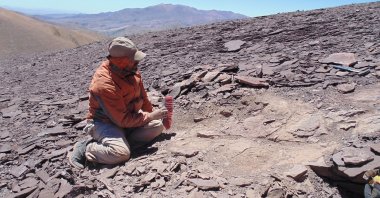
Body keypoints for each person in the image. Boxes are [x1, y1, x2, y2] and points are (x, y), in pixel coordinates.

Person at [68, 37, 167, 169]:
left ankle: (120, 142)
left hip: (126, 118)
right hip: (104, 122)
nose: (138, 62)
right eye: (134, 59)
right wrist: (150, 116)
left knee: (157, 126)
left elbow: (143, 99)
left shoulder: (130, 70)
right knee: (120, 154)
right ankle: (86, 147)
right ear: (122, 61)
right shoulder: (104, 84)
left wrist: (152, 113)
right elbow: (122, 120)